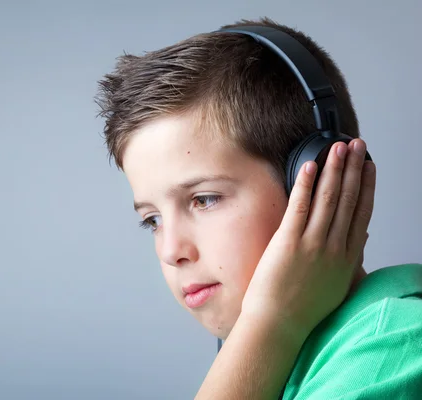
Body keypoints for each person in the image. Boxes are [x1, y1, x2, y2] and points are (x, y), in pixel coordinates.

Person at [95, 17, 422, 399]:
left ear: (316, 184)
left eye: (204, 199)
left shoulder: (395, 349)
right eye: (152, 220)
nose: (171, 251)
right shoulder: (275, 359)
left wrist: (270, 322)